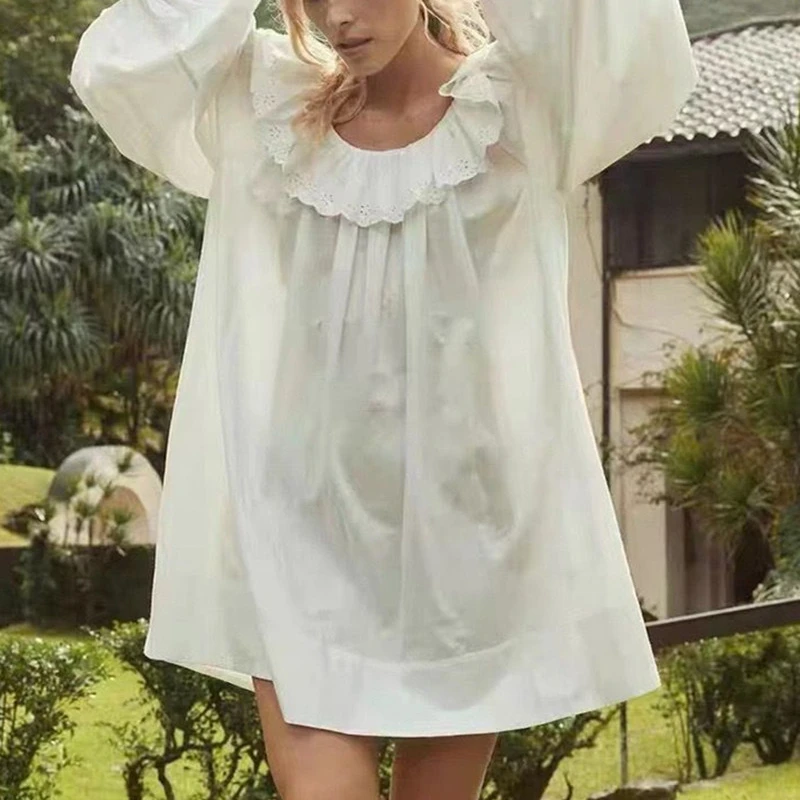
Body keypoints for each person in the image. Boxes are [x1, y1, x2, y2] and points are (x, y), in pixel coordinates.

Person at [70, 1, 699, 798]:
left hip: (465, 541)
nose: (337, 16)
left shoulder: (524, 108)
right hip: (300, 529)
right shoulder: (266, 109)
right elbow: (118, 67)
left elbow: (633, 41)